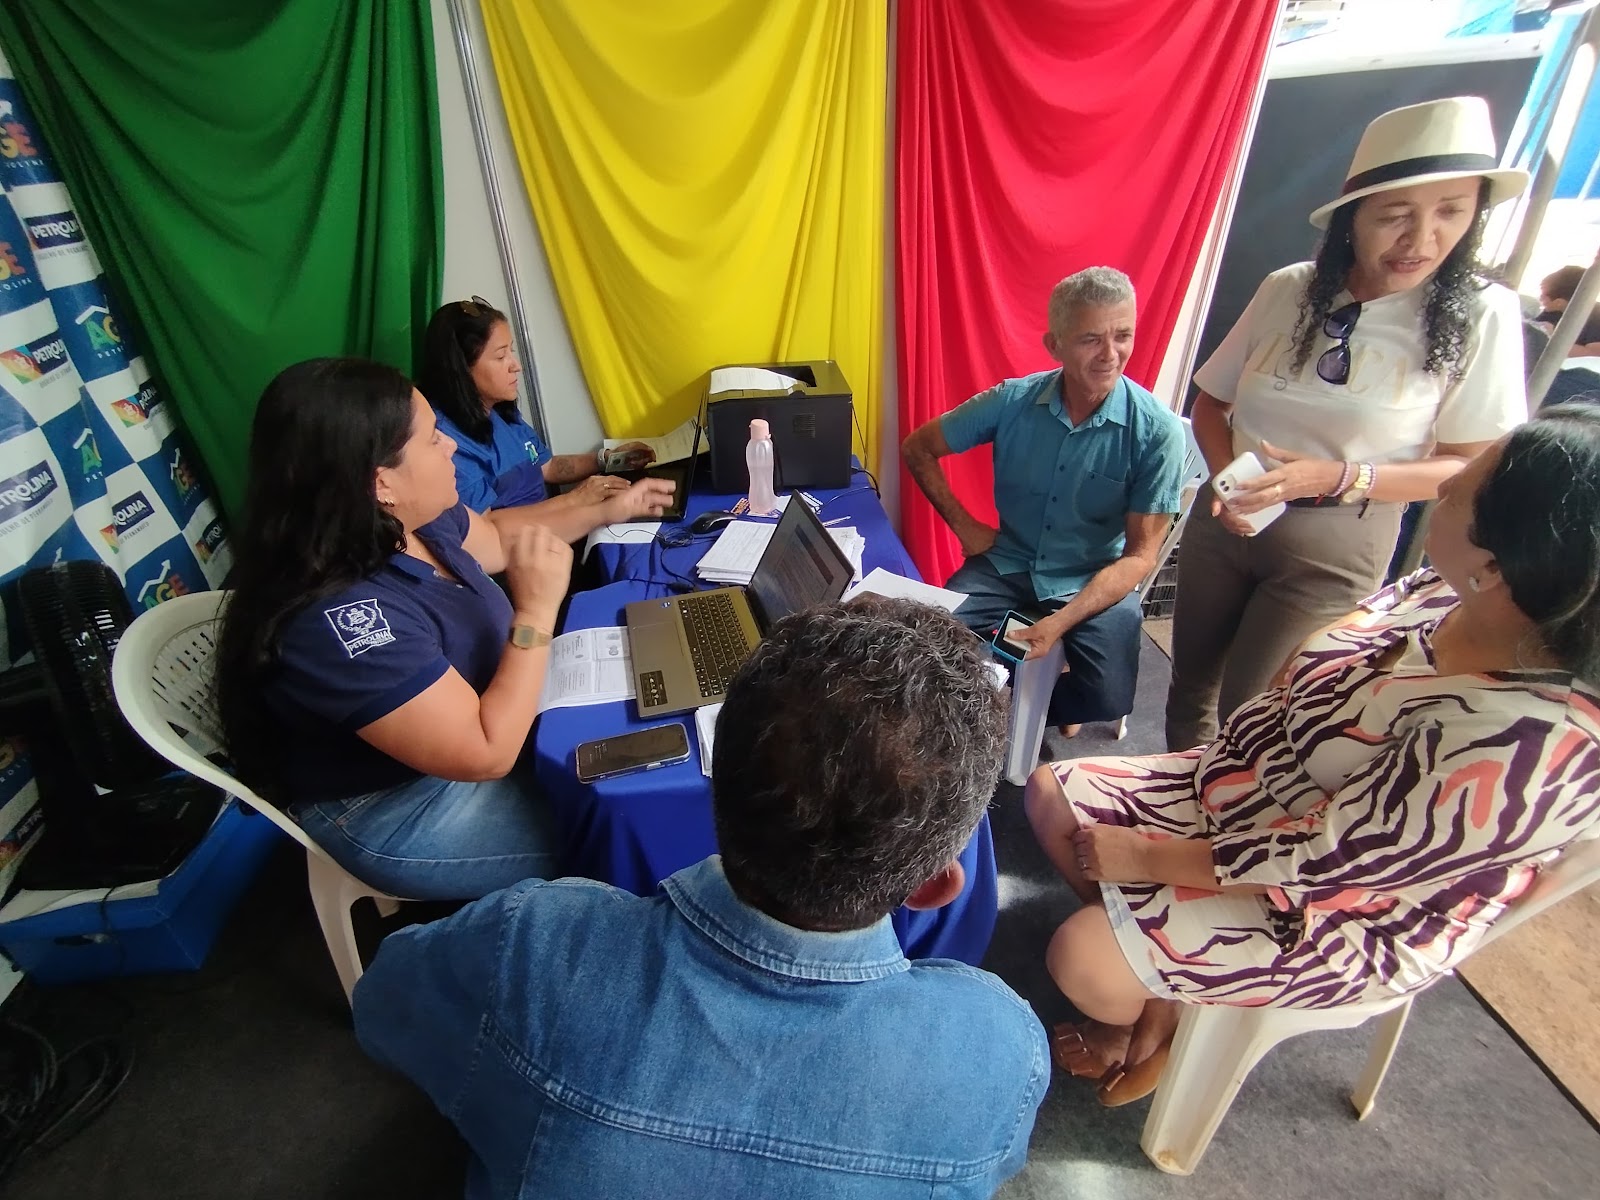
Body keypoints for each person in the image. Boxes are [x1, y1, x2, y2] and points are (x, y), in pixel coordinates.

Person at [352, 598, 1048, 1199]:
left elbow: (384, 1011)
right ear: (934, 886)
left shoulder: (531, 944)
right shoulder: (998, 1049)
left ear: (713, 796)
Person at [1027, 407, 1600, 1108]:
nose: (1442, 489)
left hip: (1343, 908)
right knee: (1051, 794)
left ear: (1497, 566)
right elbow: (1327, 653)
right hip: (1247, 792)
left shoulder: (1526, 752)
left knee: (1082, 959)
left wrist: (1145, 858)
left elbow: (1325, 863)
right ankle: (1165, 990)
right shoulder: (1445, 591)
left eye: (1463, 490)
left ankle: (1153, 1007)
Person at [1165, 96, 1531, 752]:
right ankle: (1164, 795)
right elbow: (1210, 405)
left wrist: (1337, 475)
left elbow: (1468, 467)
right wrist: (1226, 480)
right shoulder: (1288, 288)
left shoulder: (1484, 314)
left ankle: (1219, 810)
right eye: (1395, 215)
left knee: (1258, 710)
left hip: (1338, 538)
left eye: (1451, 212)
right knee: (1188, 685)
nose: (1421, 240)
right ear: (1351, 217)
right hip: (1228, 514)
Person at [216, 357, 572, 901]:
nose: (450, 446)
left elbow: (500, 543)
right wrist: (535, 615)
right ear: (381, 481)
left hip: (486, 734)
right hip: (404, 806)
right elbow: (484, 750)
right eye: (432, 438)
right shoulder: (339, 616)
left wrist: (606, 504)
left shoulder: (418, 519)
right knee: (605, 829)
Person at [901, 266, 1186, 732]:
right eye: (1091, 339)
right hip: (1008, 562)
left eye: (1123, 336)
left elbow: (1139, 557)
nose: (1110, 354)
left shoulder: (1157, 431)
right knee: (926, 650)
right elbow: (918, 447)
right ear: (1054, 345)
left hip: (1095, 576)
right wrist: (965, 525)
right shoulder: (1011, 400)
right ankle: (990, 722)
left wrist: (1061, 622)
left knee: (1109, 696)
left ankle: (1023, 709)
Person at [417, 297, 674, 540]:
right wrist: (574, 500)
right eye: (501, 356)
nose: (516, 365)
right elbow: (485, 527)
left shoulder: (500, 412)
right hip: (523, 551)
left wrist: (609, 460)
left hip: (556, 533)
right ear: (461, 369)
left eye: (511, 351)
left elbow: (547, 467)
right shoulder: (446, 441)